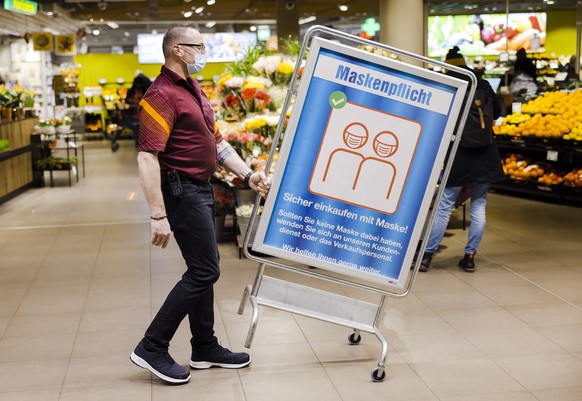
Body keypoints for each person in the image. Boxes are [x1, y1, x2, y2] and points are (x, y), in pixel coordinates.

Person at [130, 24, 271, 385]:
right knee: (204, 271)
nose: (204, 53)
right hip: (181, 192)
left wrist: (246, 175)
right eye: (199, 47)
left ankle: (204, 346)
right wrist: (157, 214)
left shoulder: (192, 89)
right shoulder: (160, 94)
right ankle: (152, 345)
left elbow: (217, 142)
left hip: (201, 188)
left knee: (203, 268)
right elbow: (147, 158)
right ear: (178, 50)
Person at [420, 47, 505, 273]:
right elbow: (497, 112)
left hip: (459, 153)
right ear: (464, 63)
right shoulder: (483, 84)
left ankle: (427, 255)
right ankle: (469, 256)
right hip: (486, 152)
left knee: (445, 206)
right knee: (479, 205)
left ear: (448, 65)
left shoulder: (447, 85)